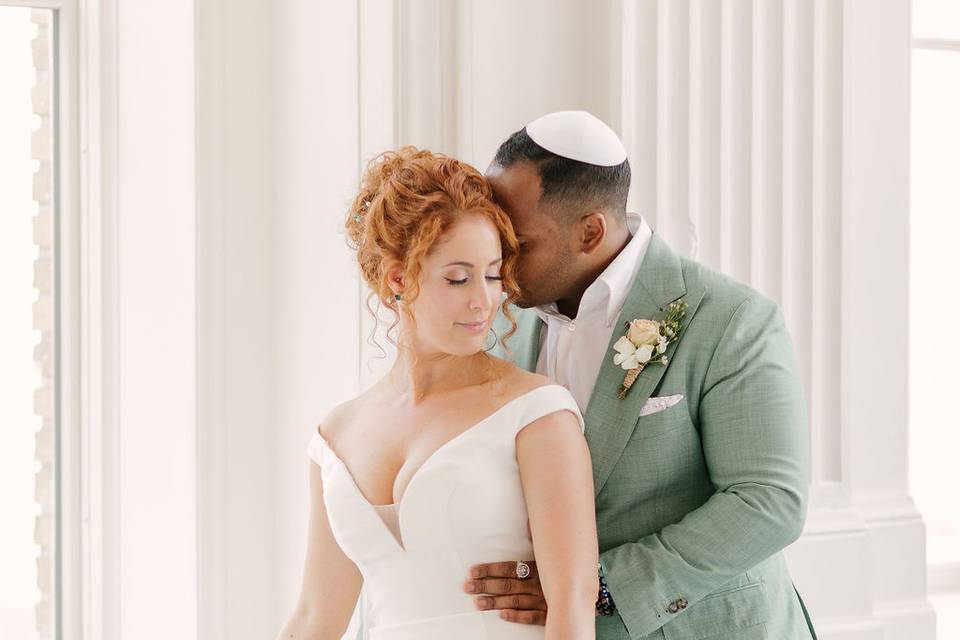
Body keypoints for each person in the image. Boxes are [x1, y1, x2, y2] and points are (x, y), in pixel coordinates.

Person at [467, 110, 818, 640]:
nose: (500, 260)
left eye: (519, 242)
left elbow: (769, 503)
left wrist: (592, 589)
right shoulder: (501, 323)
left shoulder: (731, 318)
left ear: (590, 231)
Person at [276, 147, 599, 639]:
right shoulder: (335, 436)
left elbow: (573, 602)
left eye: (493, 275)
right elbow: (316, 617)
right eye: (457, 277)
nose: (483, 299)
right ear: (398, 281)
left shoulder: (537, 411)